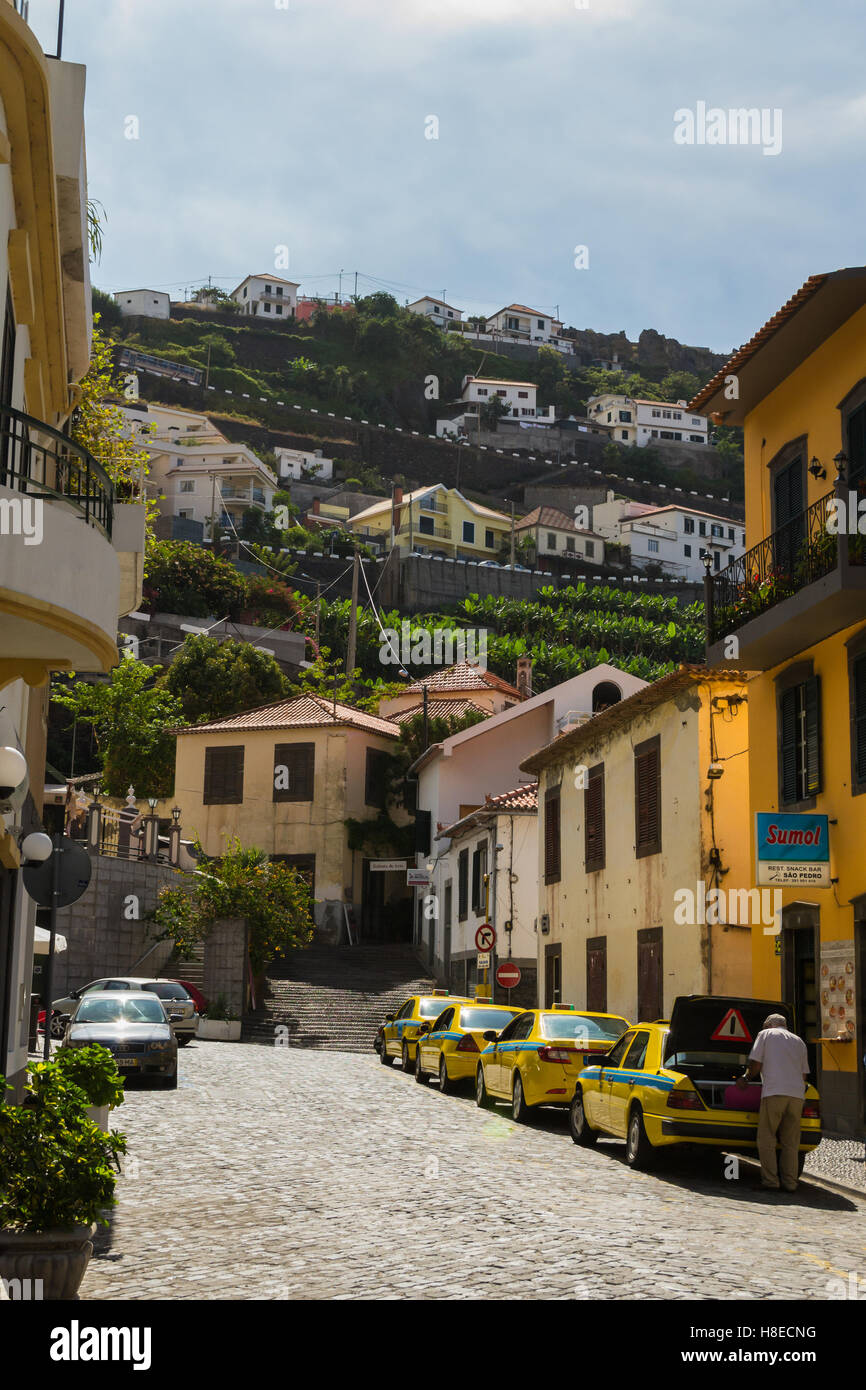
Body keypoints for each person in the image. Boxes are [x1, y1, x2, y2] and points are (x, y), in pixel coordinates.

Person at [736, 1012, 809, 1191]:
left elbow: (756, 1063)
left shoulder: (765, 1035)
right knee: (790, 1142)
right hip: (797, 1095)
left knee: (766, 1138)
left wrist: (746, 1077)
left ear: (768, 1025)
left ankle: (770, 1181)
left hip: (775, 1092)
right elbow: (804, 1074)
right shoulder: (798, 1041)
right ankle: (790, 1183)